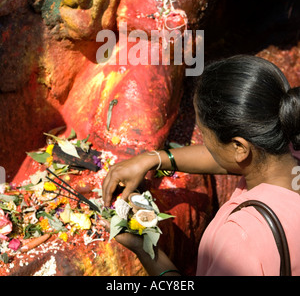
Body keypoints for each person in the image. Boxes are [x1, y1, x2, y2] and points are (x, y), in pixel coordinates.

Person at [101, 55, 300, 276]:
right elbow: (234, 159)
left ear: (239, 147)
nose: (205, 144)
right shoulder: (288, 145)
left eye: (205, 136)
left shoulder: (241, 239)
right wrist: (152, 159)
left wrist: (147, 250)